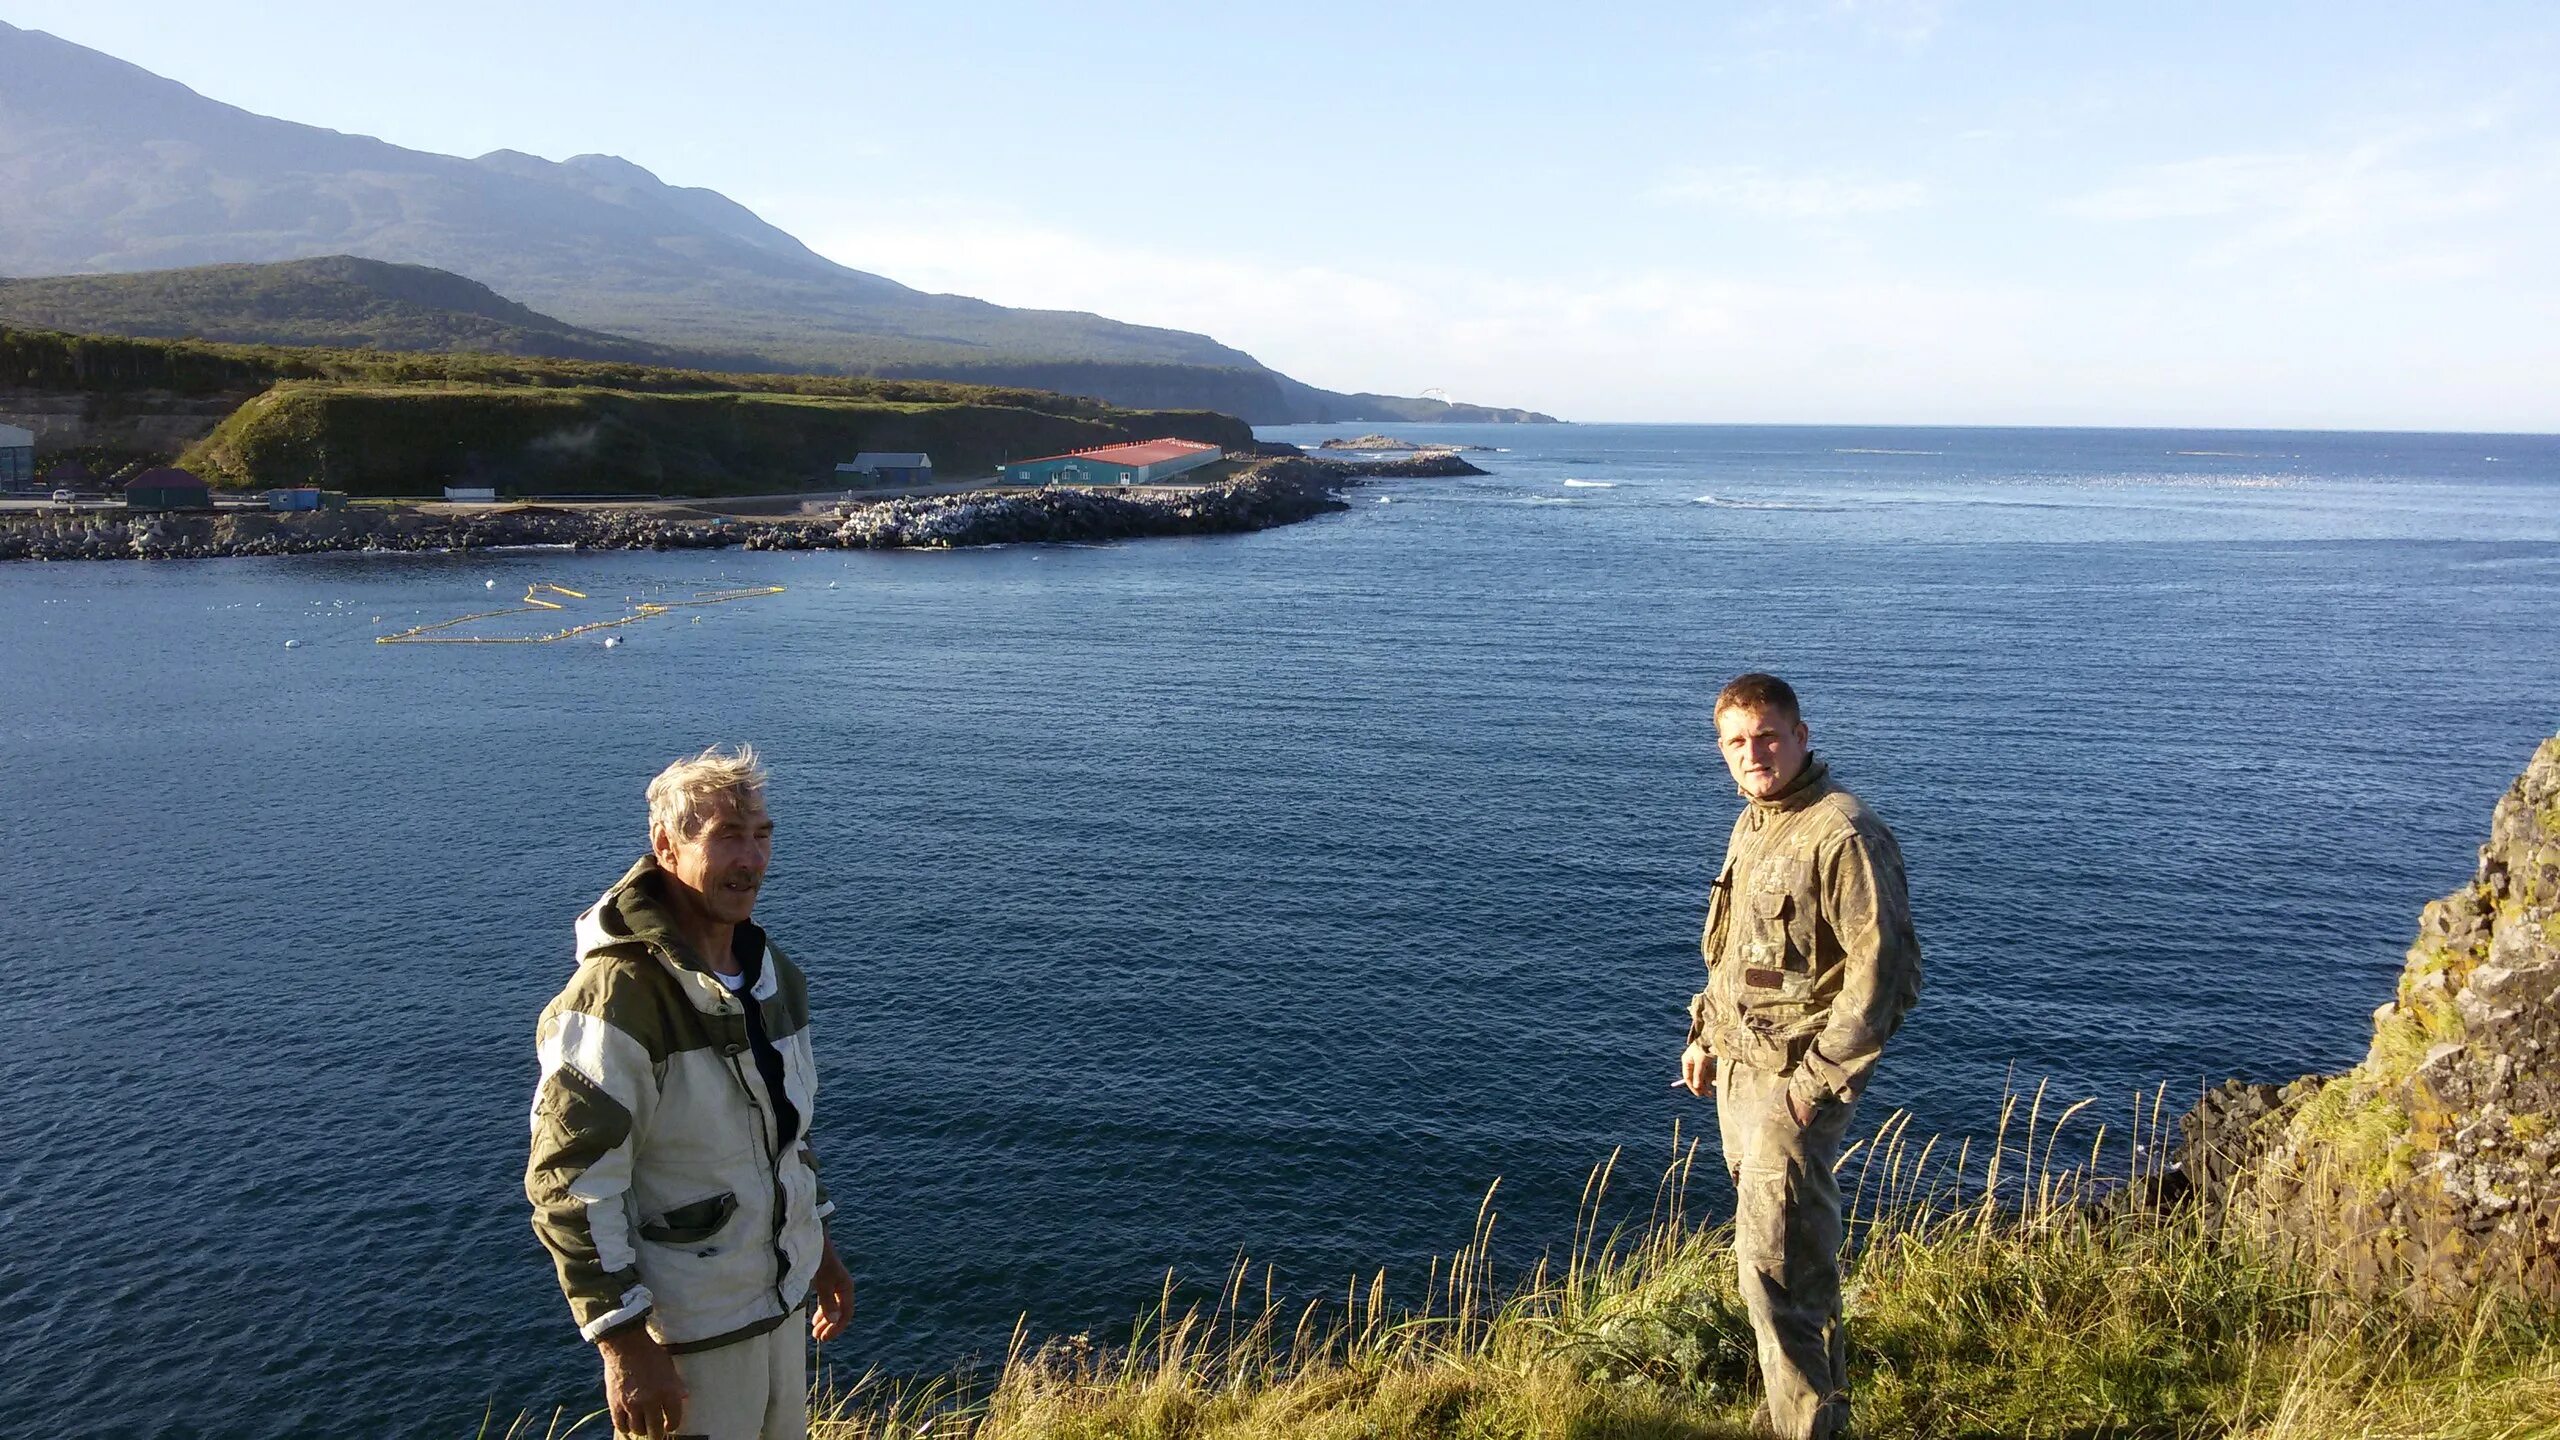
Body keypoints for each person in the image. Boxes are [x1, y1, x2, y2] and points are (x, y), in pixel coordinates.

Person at [527, 745, 855, 1439]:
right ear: (666, 846)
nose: (752, 860)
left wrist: (818, 1249)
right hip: (685, 1337)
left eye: (762, 835)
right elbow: (572, 1184)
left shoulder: (772, 978)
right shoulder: (617, 999)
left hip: (777, 1312)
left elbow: (785, 1136)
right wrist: (624, 1342)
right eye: (726, 836)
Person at [1679, 674, 1922, 1440]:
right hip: (1741, 1072)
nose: (1754, 754)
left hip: (1793, 1086)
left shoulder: (1841, 832)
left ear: (1802, 735)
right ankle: (1803, 1412)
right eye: (1737, 743)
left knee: (1774, 1269)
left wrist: (1811, 1089)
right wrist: (1704, 1035)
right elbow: (1733, 954)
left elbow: (1887, 978)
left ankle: (1805, 1429)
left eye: (1768, 736)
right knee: (1790, 1260)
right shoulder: (1756, 822)